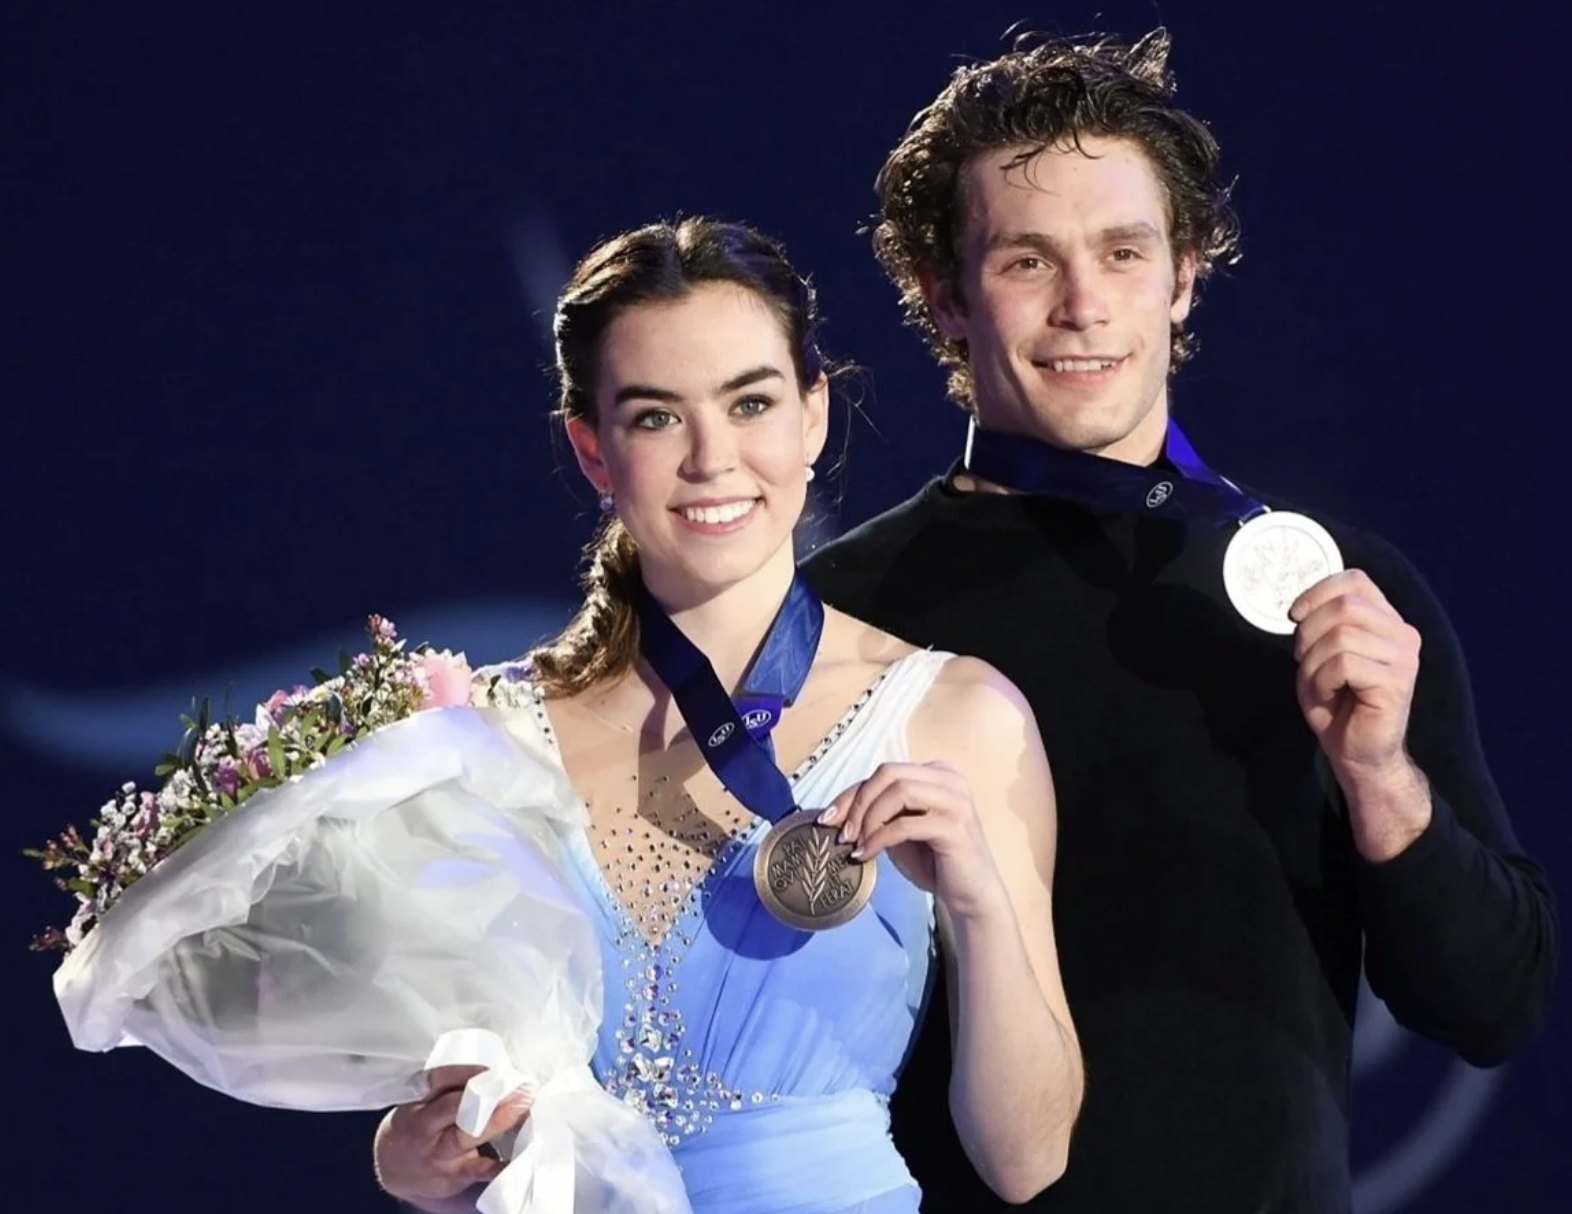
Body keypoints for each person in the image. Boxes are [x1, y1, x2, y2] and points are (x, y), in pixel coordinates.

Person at [799, 27, 1558, 1213]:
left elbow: (1492, 1003)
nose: (1084, 305)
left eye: (1123, 251)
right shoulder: (843, 613)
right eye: (1028, 261)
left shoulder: (1338, 593)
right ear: (944, 295)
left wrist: (1380, 777)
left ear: (1184, 275)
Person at [369, 217, 1083, 1214]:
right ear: (592, 448)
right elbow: (451, 1097)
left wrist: (979, 904)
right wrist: (408, 1155)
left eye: (751, 402)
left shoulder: (956, 715)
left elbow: (1028, 1158)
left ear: (813, 414)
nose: (712, 458)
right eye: (656, 417)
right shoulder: (490, 733)